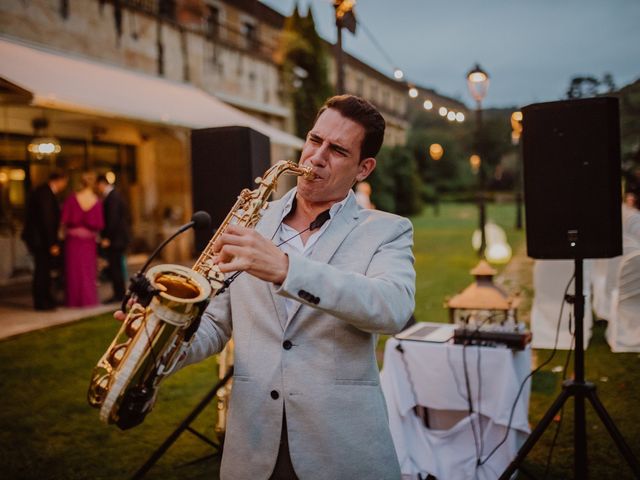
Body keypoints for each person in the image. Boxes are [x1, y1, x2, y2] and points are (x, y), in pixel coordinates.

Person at [119, 95, 415, 479]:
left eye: (337, 150)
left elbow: (391, 308)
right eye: (314, 140)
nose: (316, 157)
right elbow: (214, 325)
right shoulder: (246, 223)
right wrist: (157, 331)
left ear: (364, 168)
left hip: (342, 450)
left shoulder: (387, 231)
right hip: (254, 447)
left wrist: (286, 269)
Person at [21, 170, 68, 310]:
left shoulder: (43, 192)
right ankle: (42, 302)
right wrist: (52, 243)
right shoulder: (45, 194)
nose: (64, 186)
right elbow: (46, 221)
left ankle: (46, 299)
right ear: (59, 180)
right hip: (41, 241)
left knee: (43, 271)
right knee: (42, 271)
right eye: (64, 182)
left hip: (40, 240)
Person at [61, 171, 104, 307]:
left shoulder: (72, 199)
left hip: (73, 241)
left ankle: (74, 300)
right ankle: (87, 300)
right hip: (88, 242)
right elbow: (99, 225)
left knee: (73, 271)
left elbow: (64, 220)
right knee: (88, 270)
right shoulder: (96, 202)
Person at [96, 174, 130, 303]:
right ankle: (119, 293)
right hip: (117, 238)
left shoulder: (112, 197)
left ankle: (119, 294)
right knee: (115, 267)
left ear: (102, 183)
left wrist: (107, 237)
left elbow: (113, 219)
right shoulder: (113, 196)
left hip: (116, 239)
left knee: (115, 267)